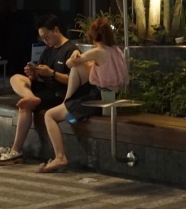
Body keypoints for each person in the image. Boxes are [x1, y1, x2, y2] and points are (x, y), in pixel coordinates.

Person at [0, 14, 79, 165]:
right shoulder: (48, 49)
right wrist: (33, 74)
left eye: (47, 37)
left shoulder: (71, 50)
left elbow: (74, 80)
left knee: (25, 106)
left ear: (56, 30)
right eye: (42, 38)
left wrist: (52, 73)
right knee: (16, 78)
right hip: (44, 86)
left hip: (58, 93)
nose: (45, 41)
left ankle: (16, 150)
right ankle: (30, 96)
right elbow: (40, 76)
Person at [38, 17, 128, 173]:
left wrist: (75, 54)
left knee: (49, 115)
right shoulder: (116, 51)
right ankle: (68, 105)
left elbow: (69, 63)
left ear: (93, 36)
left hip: (98, 98)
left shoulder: (98, 51)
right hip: (112, 96)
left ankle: (60, 156)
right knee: (78, 69)